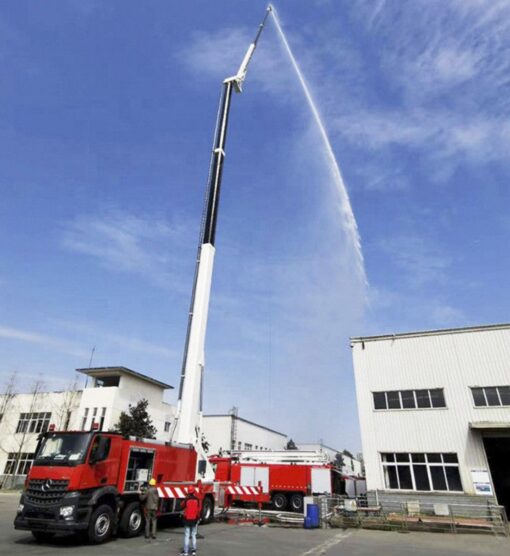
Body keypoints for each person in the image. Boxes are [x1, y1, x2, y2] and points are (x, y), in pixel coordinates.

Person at [180, 486, 202, 556]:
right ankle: (193, 550)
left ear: (188, 492)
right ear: (193, 491)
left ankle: (186, 551)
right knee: (193, 535)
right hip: (194, 519)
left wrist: (185, 498)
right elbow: (198, 509)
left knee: (187, 535)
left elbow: (181, 506)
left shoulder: (187, 499)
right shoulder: (197, 499)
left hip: (187, 519)